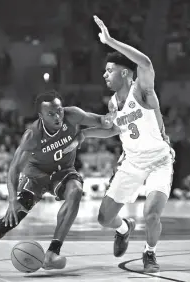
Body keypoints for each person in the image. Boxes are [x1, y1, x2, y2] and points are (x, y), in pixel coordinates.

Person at [0, 90, 114, 275]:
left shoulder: (73, 115)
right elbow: (14, 169)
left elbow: (105, 123)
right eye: (51, 114)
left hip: (62, 172)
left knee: (76, 190)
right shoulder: (32, 135)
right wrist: (12, 200)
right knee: (13, 218)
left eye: (59, 110)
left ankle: (53, 253)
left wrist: (114, 115)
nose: (58, 116)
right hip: (35, 176)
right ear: (41, 116)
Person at [65, 15, 175, 273]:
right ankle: (124, 228)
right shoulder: (113, 103)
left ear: (125, 73)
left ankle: (150, 254)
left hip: (159, 161)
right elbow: (114, 128)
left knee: (151, 213)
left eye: (109, 70)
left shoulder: (142, 90)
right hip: (132, 163)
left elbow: (145, 62)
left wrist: (111, 41)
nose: (105, 74)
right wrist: (83, 135)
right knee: (104, 218)